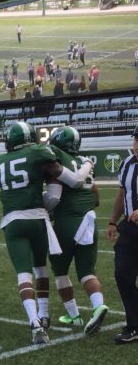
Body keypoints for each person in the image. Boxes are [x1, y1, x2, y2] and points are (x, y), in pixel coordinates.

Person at [0, 121, 94, 344]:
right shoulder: (38, 152)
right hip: (39, 219)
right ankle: (45, 315)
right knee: (41, 269)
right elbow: (58, 178)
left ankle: (36, 323)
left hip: (13, 220)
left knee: (23, 275)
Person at [43, 126, 109, 336]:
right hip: (89, 221)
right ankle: (98, 306)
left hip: (67, 222)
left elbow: (54, 197)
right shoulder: (83, 162)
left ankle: (73, 314)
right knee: (87, 272)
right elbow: (96, 195)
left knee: (60, 271)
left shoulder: (57, 159)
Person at [106, 125, 138, 344]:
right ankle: (134, 325)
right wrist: (112, 221)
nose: (136, 144)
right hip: (129, 228)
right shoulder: (127, 163)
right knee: (122, 274)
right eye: (135, 140)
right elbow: (121, 194)